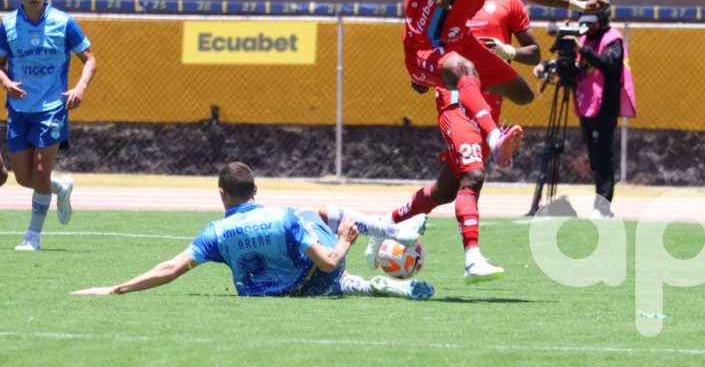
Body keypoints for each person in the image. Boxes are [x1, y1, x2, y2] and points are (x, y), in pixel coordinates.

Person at [394, 0, 609, 170]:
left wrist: (579, 5)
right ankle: (493, 136)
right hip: (424, 45)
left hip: (461, 42)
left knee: (522, 94)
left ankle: (454, 89)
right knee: (463, 70)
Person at [366, 0, 541, 283]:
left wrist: (506, 51)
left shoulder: (508, 2)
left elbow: (533, 51)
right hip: (456, 102)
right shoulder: (451, 5)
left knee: (445, 190)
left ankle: (383, 224)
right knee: (474, 175)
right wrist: (423, 76)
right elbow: (427, 54)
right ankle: (472, 258)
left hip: (491, 110)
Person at [73, 162, 435, 300]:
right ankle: (384, 227)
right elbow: (327, 262)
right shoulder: (284, 216)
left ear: (221, 193)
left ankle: (365, 283)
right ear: (256, 190)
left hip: (281, 295)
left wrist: (115, 288)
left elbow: (171, 269)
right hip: (321, 279)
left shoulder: (216, 232)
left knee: (322, 275)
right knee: (311, 210)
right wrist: (342, 243)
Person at [0, 0, 97, 251]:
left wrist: (79, 87)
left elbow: (90, 60)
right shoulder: (6, 25)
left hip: (53, 107)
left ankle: (33, 236)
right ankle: (61, 187)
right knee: (23, 178)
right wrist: (6, 83)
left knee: (40, 171)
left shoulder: (64, 22)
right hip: (19, 108)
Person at [534, 5, 636, 218]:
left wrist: (581, 49)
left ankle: (603, 208)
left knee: (602, 158)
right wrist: (550, 66)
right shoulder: (584, 39)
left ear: (602, 20)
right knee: (594, 158)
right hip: (586, 105)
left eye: (592, 22)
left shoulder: (612, 39)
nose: (588, 27)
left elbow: (609, 64)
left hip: (604, 107)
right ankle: (598, 206)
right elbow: (575, 70)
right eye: (585, 22)